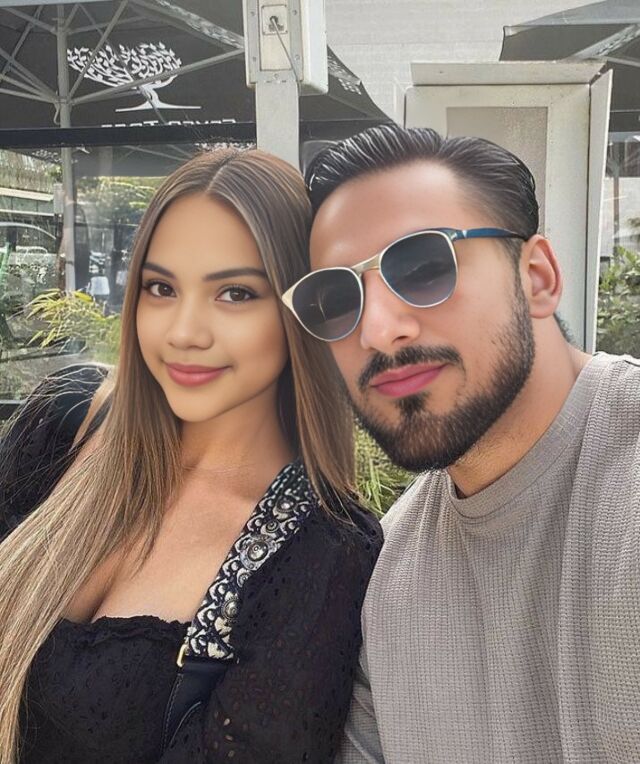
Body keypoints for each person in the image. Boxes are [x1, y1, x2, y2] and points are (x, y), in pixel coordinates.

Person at [0, 148, 382, 764]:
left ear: (301, 310)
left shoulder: (323, 552)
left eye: (234, 293)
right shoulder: (67, 420)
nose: (184, 332)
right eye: (161, 288)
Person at [281, 124, 640, 762]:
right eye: (336, 299)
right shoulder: (390, 576)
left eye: (423, 267)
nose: (377, 330)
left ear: (536, 277)